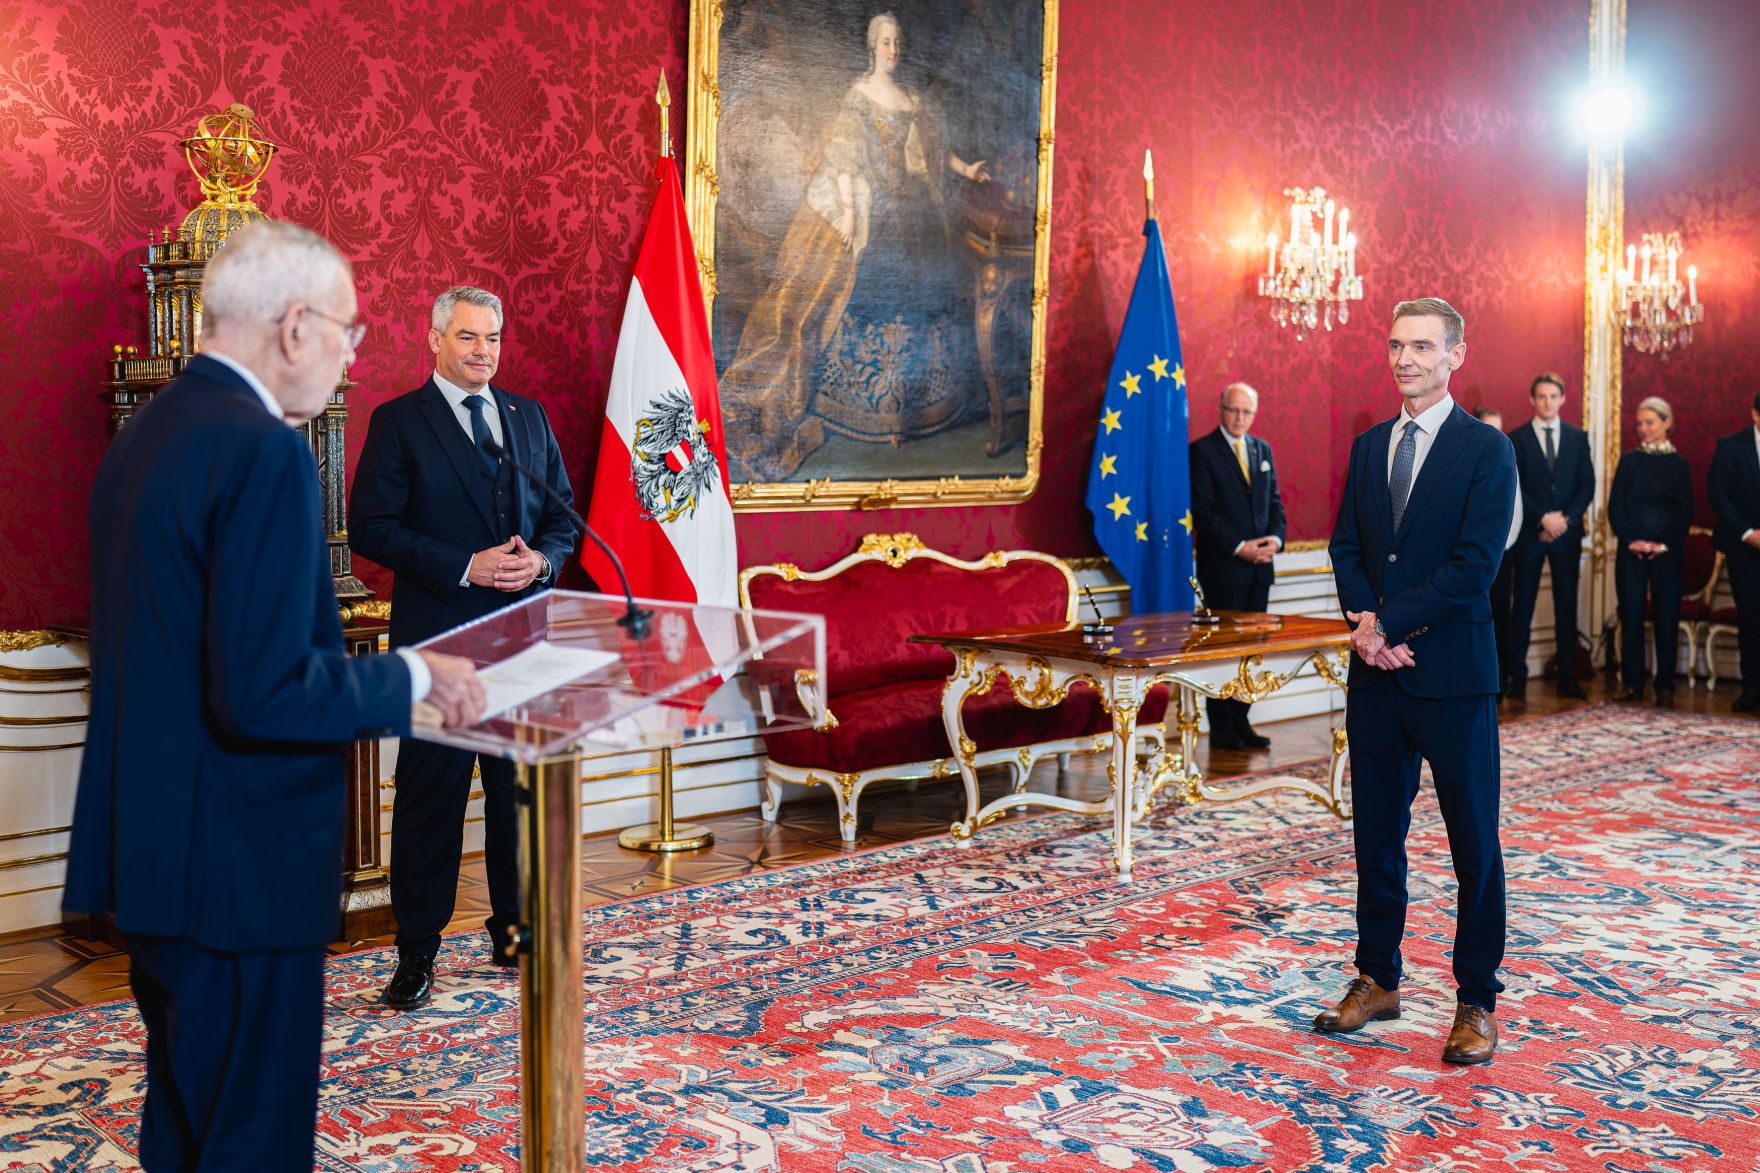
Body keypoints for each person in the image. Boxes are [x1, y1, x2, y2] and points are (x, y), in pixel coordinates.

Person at [62, 222, 485, 1170]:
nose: (349, 356)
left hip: (155, 854)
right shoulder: (266, 451)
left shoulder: (149, 434)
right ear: (295, 326)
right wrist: (416, 675)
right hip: (239, 867)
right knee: (251, 1139)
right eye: (347, 330)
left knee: (187, 1127)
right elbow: (265, 690)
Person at [349, 286, 579, 1011]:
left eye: (493, 338)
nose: (484, 351)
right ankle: (417, 953)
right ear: (435, 339)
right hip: (441, 645)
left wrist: (542, 562)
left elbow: (563, 519)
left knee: (517, 797)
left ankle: (515, 932)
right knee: (431, 802)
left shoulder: (528, 417)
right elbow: (371, 527)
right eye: (469, 337)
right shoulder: (399, 421)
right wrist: (463, 565)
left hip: (520, 642)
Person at [1322, 297, 1517, 1065]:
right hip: (1376, 679)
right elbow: (1345, 547)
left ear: (1455, 355)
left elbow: (1475, 566)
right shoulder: (1370, 445)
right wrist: (1366, 627)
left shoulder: (1487, 449)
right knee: (1376, 834)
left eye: (1423, 346)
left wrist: (1387, 625)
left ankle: (1477, 999)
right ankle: (1378, 977)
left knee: (1474, 843)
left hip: (1454, 676)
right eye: (1397, 344)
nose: (1406, 358)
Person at [719, 10, 992, 480]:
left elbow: (932, 150)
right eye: (885, 42)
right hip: (872, 210)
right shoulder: (858, 96)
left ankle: (916, 402)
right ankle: (859, 401)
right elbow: (843, 157)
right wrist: (847, 213)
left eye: (897, 42)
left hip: (914, 212)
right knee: (853, 287)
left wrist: (967, 170)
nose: (892, 50)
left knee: (926, 291)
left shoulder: (911, 99)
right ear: (872, 46)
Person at [1189, 382, 1286, 748]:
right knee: (1223, 648)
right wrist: (1240, 547)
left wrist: (1274, 540)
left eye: (1247, 412)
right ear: (1221, 409)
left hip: (1260, 569)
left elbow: (1275, 504)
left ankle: (1242, 720)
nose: (1240, 418)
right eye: (1234, 410)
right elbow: (1203, 512)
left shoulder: (1262, 449)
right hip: (1224, 569)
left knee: (1252, 648)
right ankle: (1222, 727)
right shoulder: (1202, 451)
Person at [1505, 374, 1595, 699]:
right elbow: (1515, 487)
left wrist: (1564, 520)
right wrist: (1542, 518)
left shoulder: (1577, 437)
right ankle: (1516, 677)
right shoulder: (1517, 439)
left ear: (1562, 399)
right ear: (1533, 400)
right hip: (1530, 534)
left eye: (1553, 396)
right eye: (1541, 396)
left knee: (1566, 605)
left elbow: (1587, 484)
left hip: (1566, 535)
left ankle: (1567, 676)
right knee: (1522, 605)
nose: (1547, 402)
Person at [1607, 397, 1693, 705]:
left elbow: (1685, 511)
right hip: (1631, 549)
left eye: (1650, 423)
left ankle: (1665, 686)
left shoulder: (1679, 464)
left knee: (1666, 617)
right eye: (1640, 423)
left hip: (1667, 552)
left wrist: (1664, 544)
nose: (1643, 428)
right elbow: (1615, 507)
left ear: (1666, 423)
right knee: (1631, 616)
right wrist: (1631, 540)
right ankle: (1632, 684)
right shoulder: (1629, 461)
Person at [1707, 394, 1760, 711]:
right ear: (1755, 414)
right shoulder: (1730, 447)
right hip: (1743, 549)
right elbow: (1718, 495)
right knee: (1751, 620)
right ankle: (1752, 689)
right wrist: (1748, 534)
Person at [1473, 406, 1525, 699]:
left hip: (1501, 555)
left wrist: (1500, 547)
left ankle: (1501, 679)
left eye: (1499, 428)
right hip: (1471, 557)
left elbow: (1515, 511)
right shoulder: (1466, 459)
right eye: (1490, 428)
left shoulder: (1507, 459)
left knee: (1501, 617)